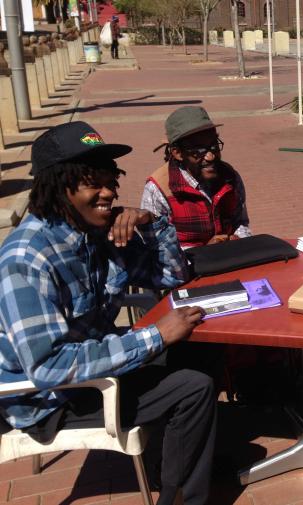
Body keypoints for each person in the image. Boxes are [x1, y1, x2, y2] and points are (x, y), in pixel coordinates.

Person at [0, 121, 216, 505]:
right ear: (56, 186)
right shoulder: (27, 259)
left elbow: (171, 275)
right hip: (52, 399)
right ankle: (183, 498)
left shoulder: (94, 232)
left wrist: (153, 224)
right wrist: (155, 336)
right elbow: (49, 367)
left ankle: (186, 460)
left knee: (200, 350)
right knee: (194, 386)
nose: (108, 193)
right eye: (92, 183)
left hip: (94, 363)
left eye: (110, 180)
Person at [141, 106, 251, 249]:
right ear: (177, 153)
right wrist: (204, 252)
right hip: (187, 269)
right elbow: (159, 250)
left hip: (233, 259)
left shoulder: (230, 176)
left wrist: (239, 239)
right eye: (198, 150)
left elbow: (240, 221)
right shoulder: (157, 190)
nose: (210, 156)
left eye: (214, 146)